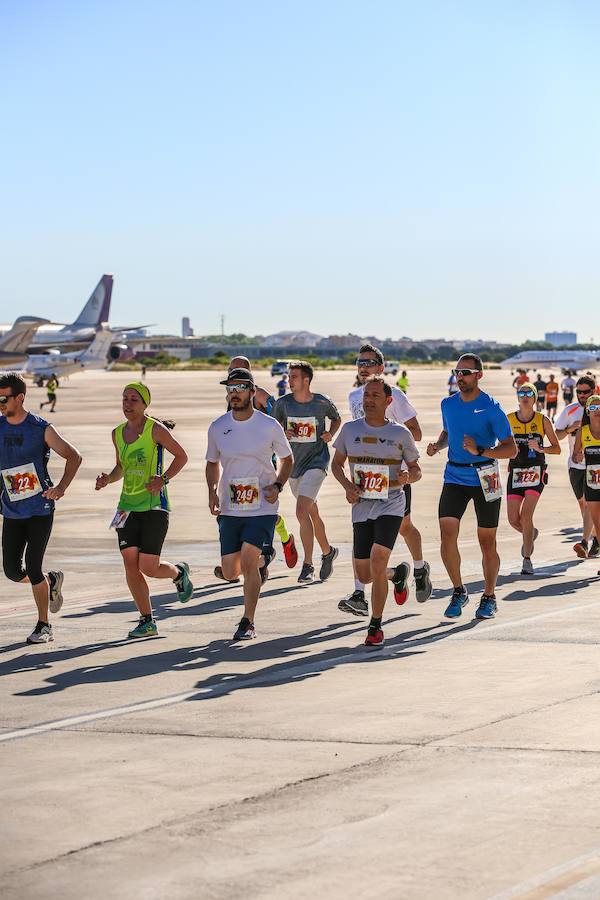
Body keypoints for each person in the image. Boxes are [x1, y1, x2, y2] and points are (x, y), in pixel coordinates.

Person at [95, 382, 193, 639]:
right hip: (126, 508)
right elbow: (120, 467)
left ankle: (179, 573)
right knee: (130, 564)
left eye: (134, 399)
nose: (128, 404)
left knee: (149, 567)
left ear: (145, 404)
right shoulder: (117, 433)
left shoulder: (155, 430)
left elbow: (181, 456)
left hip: (154, 506)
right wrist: (108, 479)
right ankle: (147, 620)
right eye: (125, 399)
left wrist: (163, 479)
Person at [341, 343, 432, 616]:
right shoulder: (353, 396)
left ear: (381, 368)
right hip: (366, 477)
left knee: (404, 527)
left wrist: (389, 435)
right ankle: (360, 593)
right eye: (360, 362)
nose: (364, 367)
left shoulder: (396, 396)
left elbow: (415, 432)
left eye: (370, 363)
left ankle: (418, 568)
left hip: (395, 476)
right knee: (364, 534)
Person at [332, 378, 421, 649]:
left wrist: (408, 477)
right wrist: (348, 487)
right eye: (365, 396)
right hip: (361, 506)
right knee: (367, 573)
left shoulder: (400, 434)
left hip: (390, 503)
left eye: (374, 396)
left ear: (388, 401)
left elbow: (416, 470)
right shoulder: (349, 430)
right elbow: (336, 465)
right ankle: (397, 574)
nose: (368, 400)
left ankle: (375, 625)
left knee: (377, 559)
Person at [206, 367, 293, 641]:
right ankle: (265, 558)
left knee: (247, 560)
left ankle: (247, 622)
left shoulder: (268, 425)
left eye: (240, 388)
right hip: (230, 507)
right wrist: (211, 491)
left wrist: (278, 485)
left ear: (253, 392)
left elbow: (287, 459)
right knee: (231, 572)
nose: (235, 393)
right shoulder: (218, 427)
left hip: (262, 508)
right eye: (230, 388)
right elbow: (212, 463)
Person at [427, 354, 517, 620]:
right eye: (457, 371)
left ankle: (489, 595)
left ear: (479, 374)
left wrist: (481, 450)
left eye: (466, 372)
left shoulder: (491, 407)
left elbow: (511, 449)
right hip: (454, 475)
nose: (461, 376)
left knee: (486, 541)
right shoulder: (448, 404)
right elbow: (448, 433)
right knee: (447, 533)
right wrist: (438, 445)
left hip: (485, 476)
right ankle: (458, 590)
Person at [0, 371, 82, 643]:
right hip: (11, 510)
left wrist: (60, 488)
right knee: (12, 571)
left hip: (39, 509)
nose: (0, 403)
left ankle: (43, 625)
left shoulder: (40, 428)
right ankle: (51, 581)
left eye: (4, 398)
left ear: (20, 398)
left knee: (33, 567)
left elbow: (74, 456)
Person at [217, 356, 297, 573]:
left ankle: (271, 547)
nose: (234, 374)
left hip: (262, 458)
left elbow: (277, 414)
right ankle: (249, 556)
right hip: (239, 463)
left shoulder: (259, 394)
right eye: (231, 370)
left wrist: (283, 431)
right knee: (246, 508)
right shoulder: (233, 395)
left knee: (260, 507)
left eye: (240, 370)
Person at [274, 360, 341, 583]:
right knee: (312, 513)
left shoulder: (322, 402)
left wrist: (330, 433)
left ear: (306, 380)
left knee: (301, 512)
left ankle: (308, 565)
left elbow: (337, 418)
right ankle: (328, 552)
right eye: (289, 376)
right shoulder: (283, 404)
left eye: (293, 377)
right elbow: (273, 429)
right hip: (293, 466)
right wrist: (283, 433)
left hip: (317, 462)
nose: (289, 380)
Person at [506, 382, 560, 575]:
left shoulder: (543, 420)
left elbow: (557, 448)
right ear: (518, 397)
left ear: (535, 398)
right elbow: (501, 445)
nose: (525, 396)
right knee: (513, 520)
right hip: (516, 473)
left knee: (526, 516)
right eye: (521, 393)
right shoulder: (509, 419)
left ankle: (527, 560)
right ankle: (530, 534)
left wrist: (541, 449)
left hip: (536, 472)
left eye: (529, 393)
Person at [555, 375, 599, 558]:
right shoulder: (570, 410)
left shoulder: (598, 409)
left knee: (590, 505)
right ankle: (595, 539)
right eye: (578, 392)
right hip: (575, 465)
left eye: (585, 392)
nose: (581, 395)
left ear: (594, 390)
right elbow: (556, 435)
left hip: (595, 467)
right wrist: (568, 430)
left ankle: (585, 542)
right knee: (584, 506)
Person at [573, 395, 600, 567]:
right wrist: (578, 455)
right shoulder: (582, 432)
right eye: (592, 408)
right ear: (587, 412)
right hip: (592, 482)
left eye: (599, 408)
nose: (597, 411)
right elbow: (576, 456)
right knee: (597, 522)